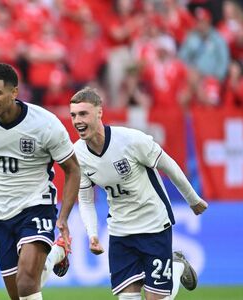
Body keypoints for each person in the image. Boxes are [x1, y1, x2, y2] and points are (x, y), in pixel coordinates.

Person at [69, 87, 207, 300]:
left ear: (99, 113)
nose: (77, 120)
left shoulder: (130, 140)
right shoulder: (77, 154)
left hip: (153, 224)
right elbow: (85, 198)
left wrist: (192, 199)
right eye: (73, 115)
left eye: (83, 114)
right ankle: (175, 266)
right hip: (120, 232)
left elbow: (168, 165)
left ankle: (176, 266)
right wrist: (92, 233)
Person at [0, 63, 80, 300]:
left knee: (26, 281)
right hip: (0, 212)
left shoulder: (45, 124)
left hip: (37, 204)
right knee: (20, 293)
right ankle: (57, 254)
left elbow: (73, 169)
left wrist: (63, 216)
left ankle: (54, 253)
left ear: (14, 93)